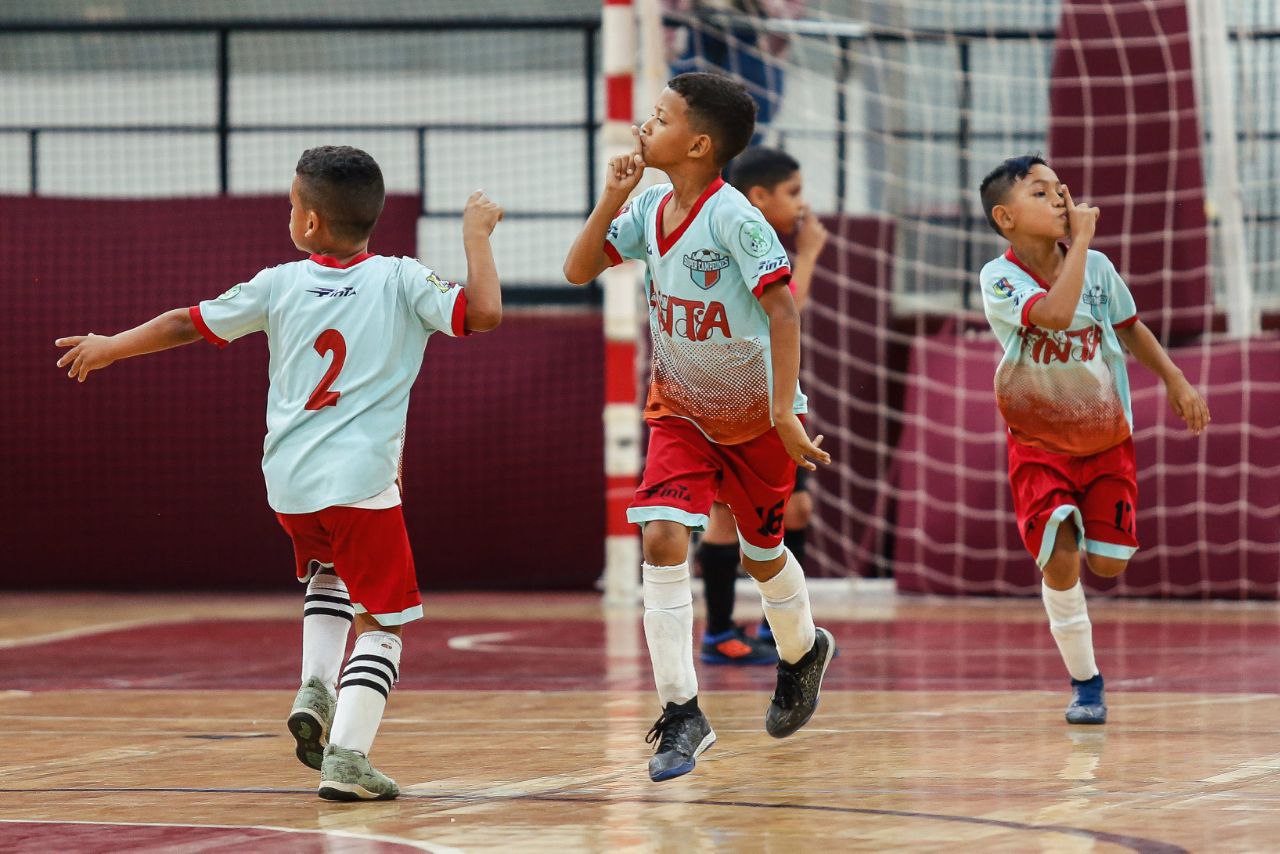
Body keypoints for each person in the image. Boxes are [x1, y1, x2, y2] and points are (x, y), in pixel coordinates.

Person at [54, 145, 505, 800]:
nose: (287, 212)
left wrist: (110, 347)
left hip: (288, 483)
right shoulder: (404, 279)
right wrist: (475, 236)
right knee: (383, 621)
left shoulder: (278, 283)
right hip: (361, 484)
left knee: (328, 573)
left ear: (312, 223)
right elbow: (483, 313)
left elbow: (187, 323)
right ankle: (349, 757)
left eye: (292, 203)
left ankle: (315, 687)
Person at [564, 72, 837, 782]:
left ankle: (802, 651)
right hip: (680, 410)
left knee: (763, 553)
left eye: (658, 118)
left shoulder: (736, 219)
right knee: (659, 534)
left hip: (756, 422)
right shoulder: (649, 206)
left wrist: (783, 412)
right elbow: (577, 267)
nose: (643, 127)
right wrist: (611, 198)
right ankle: (683, 712)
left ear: (699, 143)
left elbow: (784, 312)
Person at [977, 154, 1210, 724]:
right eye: (1041, 192)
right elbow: (1054, 317)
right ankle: (1086, 682)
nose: (1060, 199)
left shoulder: (1099, 267)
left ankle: (1088, 533)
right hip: (1039, 444)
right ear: (1005, 217)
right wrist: (1080, 242)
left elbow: (1129, 327)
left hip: (1107, 440)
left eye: (1062, 190)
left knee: (1107, 566)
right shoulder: (999, 277)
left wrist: (1175, 379)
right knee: (1059, 560)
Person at [698, 146, 828, 665]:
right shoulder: (737, 231)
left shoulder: (757, 232)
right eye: (792, 192)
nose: (801, 204)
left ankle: (784, 628)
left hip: (770, 398)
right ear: (759, 196)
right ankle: (719, 633)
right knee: (725, 516)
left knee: (795, 507)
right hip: (729, 396)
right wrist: (812, 255)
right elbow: (788, 303)